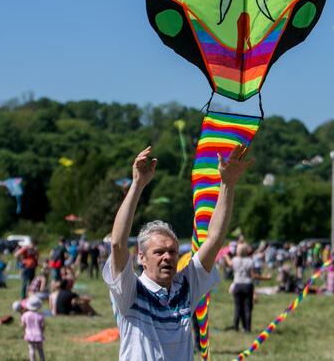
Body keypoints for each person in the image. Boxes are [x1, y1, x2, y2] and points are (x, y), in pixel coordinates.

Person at [103, 145, 251, 360]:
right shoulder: (129, 291)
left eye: (172, 251)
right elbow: (117, 244)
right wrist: (137, 185)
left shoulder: (186, 286)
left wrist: (227, 184)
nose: (168, 257)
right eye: (159, 252)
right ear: (141, 258)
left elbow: (215, 239)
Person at [228, 243, 271, 332]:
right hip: (247, 285)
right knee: (247, 308)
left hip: (237, 285)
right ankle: (247, 328)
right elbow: (253, 275)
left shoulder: (234, 260)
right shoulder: (250, 261)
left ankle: (236, 327)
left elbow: (229, 264)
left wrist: (225, 256)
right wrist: (266, 278)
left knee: (237, 307)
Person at [21, 295, 45, 361]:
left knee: (31, 349)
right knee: (40, 349)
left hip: (29, 334)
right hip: (38, 335)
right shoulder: (40, 316)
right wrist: (42, 332)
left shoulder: (25, 315)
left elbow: (23, 325)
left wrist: (25, 331)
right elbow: (42, 326)